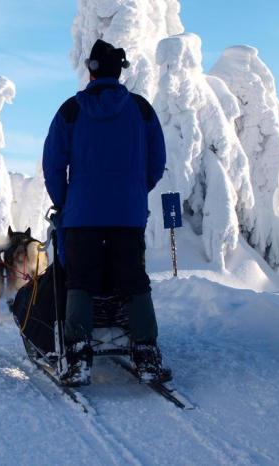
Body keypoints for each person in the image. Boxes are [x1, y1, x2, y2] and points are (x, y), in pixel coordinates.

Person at [42, 39, 170, 386]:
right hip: (128, 215)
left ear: (91, 71)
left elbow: (53, 163)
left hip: (81, 215)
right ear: (119, 72)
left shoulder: (71, 110)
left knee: (80, 280)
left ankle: (78, 355)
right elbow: (157, 161)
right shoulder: (141, 110)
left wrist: (66, 201)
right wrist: (133, 191)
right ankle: (146, 353)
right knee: (133, 280)